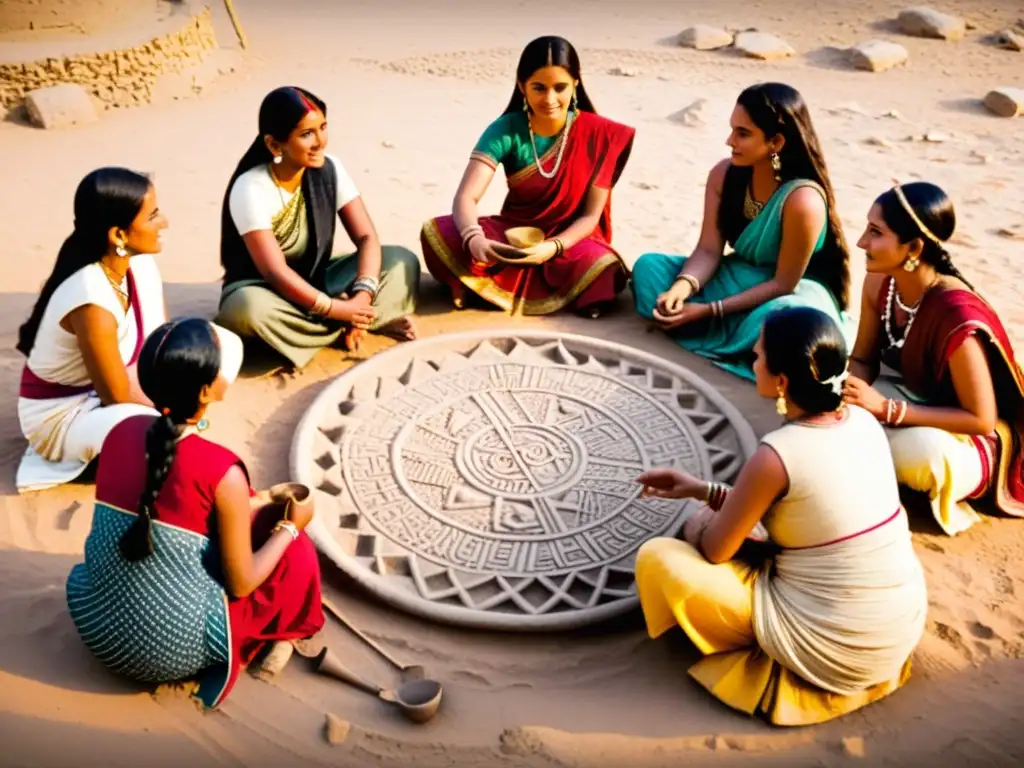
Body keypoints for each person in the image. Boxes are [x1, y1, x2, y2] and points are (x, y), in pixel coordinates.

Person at [635, 306, 927, 726]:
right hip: (896, 630)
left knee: (661, 558)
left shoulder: (776, 454)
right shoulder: (863, 420)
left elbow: (718, 550)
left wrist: (699, 517)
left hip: (838, 650)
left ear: (782, 381)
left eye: (757, 356)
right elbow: (809, 508)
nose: (752, 362)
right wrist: (702, 488)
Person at [66, 318, 324, 708]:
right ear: (206, 390)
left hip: (95, 626)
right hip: (170, 652)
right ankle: (285, 631)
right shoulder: (221, 471)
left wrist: (254, 500)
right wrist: (291, 526)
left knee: (240, 515)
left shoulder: (119, 433)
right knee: (296, 550)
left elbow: (167, 503)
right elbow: (241, 584)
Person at [631, 83, 851, 380]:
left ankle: (725, 334)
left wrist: (709, 310)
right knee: (648, 268)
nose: (729, 140)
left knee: (781, 321)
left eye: (742, 134)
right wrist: (680, 289)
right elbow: (709, 250)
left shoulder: (802, 201)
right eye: (732, 129)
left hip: (790, 293)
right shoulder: (723, 174)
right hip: (738, 276)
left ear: (775, 143)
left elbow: (784, 284)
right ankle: (720, 332)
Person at [843, 182, 1024, 536]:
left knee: (920, 454)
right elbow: (862, 359)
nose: (861, 241)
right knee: (824, 393)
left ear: (913, 248)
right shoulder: (879, 282)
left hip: (975, 438)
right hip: (907, 395)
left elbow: (981, 418)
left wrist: (884, 411)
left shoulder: (955, 314)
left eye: (875, 232)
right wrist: (851, 395)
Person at [420, 36, 636, 318]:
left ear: (576, 85)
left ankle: (478, 291)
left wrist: (553, 246)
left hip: (570, 242)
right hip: (514, 236)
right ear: (522, 87)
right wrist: (474, 239)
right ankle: (489, 285)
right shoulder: (505, 129)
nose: (549, 99)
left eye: (560, 88)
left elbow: (589, 217)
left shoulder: (602, 135)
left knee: (604, 267)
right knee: (436, 233)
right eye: (538, 88)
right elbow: (467, 196)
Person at [215, 86, 421, 370]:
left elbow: (366, 237)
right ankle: (357, 323)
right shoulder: (251, 188)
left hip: (317, 280)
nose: (320, 142)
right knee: (247, 309)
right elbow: (275, 273)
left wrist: (363, 296)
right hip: (267, 291)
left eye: (323, 127)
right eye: (306, 134)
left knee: (401, 261)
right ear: (275, 145)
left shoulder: (330, 169)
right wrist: (339, 309)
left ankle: (336, 326)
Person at [16, 168, 170, 492]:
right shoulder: (91, 301)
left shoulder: (137, 264)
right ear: (119, 236)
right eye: (152, 216)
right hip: (63, 415)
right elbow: (116, 398)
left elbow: (159, 339)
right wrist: (178, 414)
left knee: (214, 350)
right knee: (159, 436)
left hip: (111, 385)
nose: (164, 222)